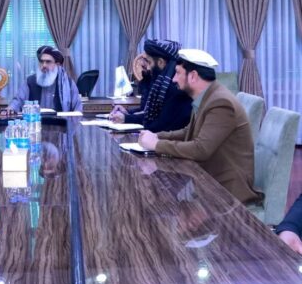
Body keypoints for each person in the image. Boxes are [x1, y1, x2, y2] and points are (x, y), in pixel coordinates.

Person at [138, 49, 262, 204]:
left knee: (161, 204)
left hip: (226, 193)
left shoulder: (221, 103)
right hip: (209, 182)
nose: (173, 79)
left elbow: (200, 150)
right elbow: (188, 131)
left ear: (193, 76)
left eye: (177, 73)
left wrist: (156, 145)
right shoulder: (208, 96)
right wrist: (157, 136)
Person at [109, 39, 192, 132]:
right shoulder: (159, 82)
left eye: (149, 62)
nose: (147, 68)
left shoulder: (175, 86)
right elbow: (147, 112)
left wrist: (126, 118)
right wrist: (127, 113)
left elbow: (159, 123)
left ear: (160, 62)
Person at [3, 45, 82, 115]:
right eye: (41, 62)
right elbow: (18, 100)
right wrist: (11, 108)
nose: (44, 65)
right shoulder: (30, 81)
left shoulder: (68, 84)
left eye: (48, 62)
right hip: (34, 123)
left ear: (57, 65)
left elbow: (78, 109)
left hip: (61, 124)